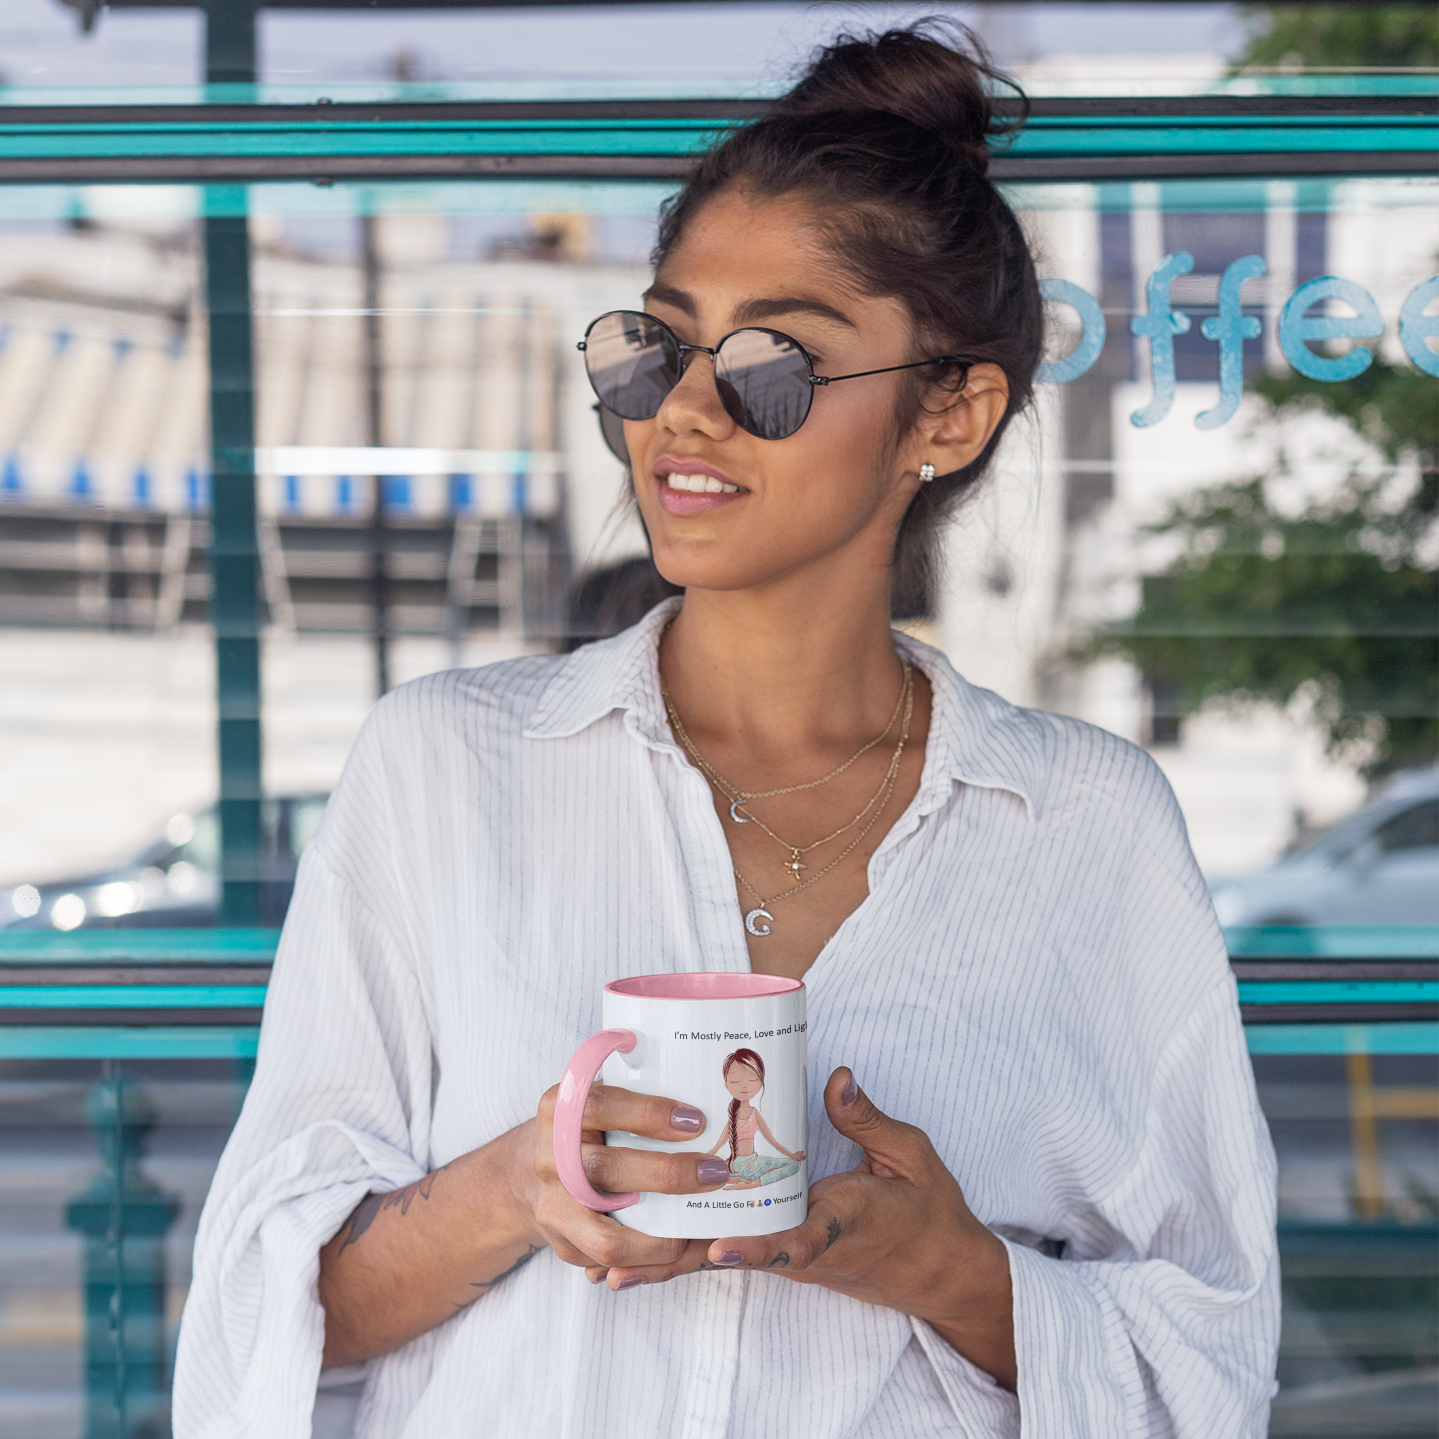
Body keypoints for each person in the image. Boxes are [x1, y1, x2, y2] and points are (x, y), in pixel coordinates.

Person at [174, 22, 1279, 1438]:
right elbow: (264, 1316)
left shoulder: (1081, 822)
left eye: (775, 362)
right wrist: (519, 1185)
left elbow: (1204, 1350)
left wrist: (954, 1273)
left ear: (948, 409)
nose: (684, 411)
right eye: (656, 346)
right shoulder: (444, 768)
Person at [703, 1047, 806, 1188]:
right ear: (726, 1084)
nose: (745, 1086)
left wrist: (793, 1156)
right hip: (735, 1167)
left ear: (761, 1082)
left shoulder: (754, 1113)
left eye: (752, 1079)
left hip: (755, 1164)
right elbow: (717, 1146)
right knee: (708, 1172)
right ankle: (743, 1181)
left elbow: (772, 1141)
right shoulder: (732, 1117)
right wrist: (699, 1161)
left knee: (794, 1165)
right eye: (735, 1081)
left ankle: (749, 1183)